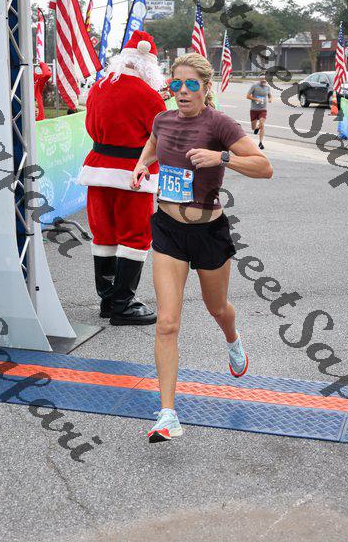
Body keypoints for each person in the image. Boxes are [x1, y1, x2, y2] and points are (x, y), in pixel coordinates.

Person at [131, 53, 273, 442]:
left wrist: (221, 157)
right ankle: (167, 414)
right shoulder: (163, 119)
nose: (182, 91)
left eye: (191, 84)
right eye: (175, 84)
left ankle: (233, 338)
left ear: (206, 87)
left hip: (209, 233)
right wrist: (142, 164)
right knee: (167, 322)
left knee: (217, 308)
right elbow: (154, 144)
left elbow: (264, 166)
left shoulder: (219, 124)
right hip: (168, 230)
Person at [78, 31, 166, 326]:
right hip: (133, 174)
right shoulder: (149, 95)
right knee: (135, 237)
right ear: (149, 65)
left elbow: (90, 127)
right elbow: (159, 139)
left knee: (104, 235)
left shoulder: (99, 87)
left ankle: (107, 300)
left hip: (98, 169)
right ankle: (123, 304)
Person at [246, 74, 272, 150]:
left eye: (265, 79)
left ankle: (260, 143)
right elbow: (247, 96)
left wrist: (270, 99)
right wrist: (256, 99)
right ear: (260, 79)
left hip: (263, 109)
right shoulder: (254, 86)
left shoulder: (267, 87)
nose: (264, 80)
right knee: (253, 128)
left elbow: (269, 95)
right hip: (254, 109)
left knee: (262, 124)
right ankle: (256, 128)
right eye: (262, 79)